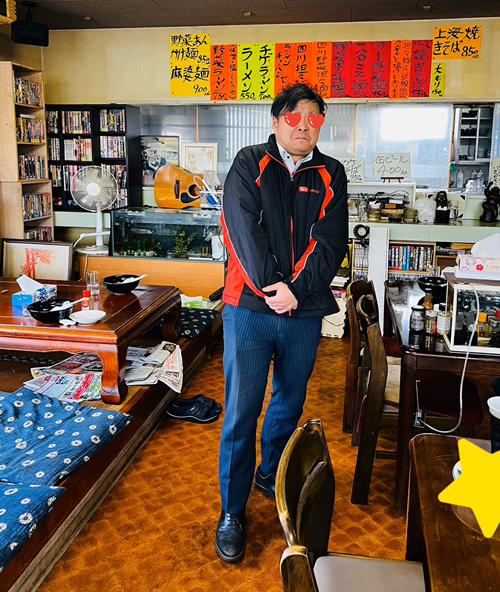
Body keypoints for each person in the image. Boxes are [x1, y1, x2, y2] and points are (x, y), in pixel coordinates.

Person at [215, 83, 348, 563]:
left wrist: (296, 290)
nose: (304, 126)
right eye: (294, 117)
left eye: (314, 118)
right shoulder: (249, 163)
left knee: (289, 402)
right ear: (275, 122)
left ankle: (269, 472)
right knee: (240, 410)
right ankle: (232, 511)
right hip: (249, 309)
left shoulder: (331, 172)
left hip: (303, 312)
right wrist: (274, 287)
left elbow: (330, 241)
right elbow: (242, 232)